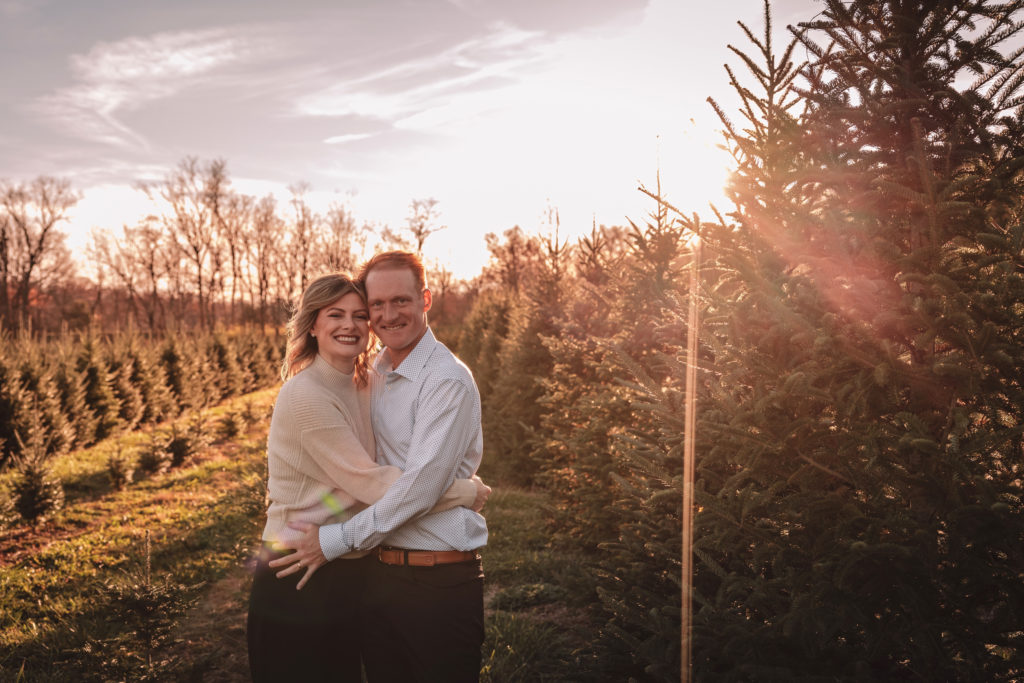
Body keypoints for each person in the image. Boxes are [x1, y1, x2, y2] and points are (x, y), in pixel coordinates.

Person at [246, 272, 488, 683]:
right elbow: (374, 484)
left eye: (360, 314)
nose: (350, 325)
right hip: (299, 567)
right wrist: (466, 490)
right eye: (335, 314)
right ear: (312, 325)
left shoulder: (366, 380)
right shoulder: (306, 395)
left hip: (348, 567)